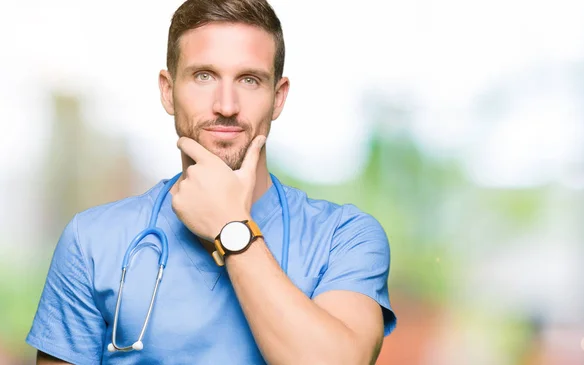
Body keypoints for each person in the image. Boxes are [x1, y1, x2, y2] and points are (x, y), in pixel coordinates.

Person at [26, 0, 397, 364]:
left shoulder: (345, 237)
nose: (226, 105)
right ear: (168, 91)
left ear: (278, 98)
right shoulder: (92, 241)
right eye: (204, 76)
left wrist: (231, 227)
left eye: (249, 80)